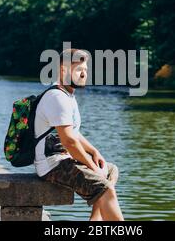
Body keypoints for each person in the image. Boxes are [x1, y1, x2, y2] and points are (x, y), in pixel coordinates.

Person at [34, 48, 124, 221]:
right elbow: (69, 142)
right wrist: (91, 166)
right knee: (104, 187)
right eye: (79, 70)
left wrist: (94, 152)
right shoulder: (57, 97)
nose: (84, 74)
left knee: (110, 170)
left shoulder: (67, 95)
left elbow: (73, 132)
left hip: (63, 159)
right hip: (52, 164)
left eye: (85, 70)